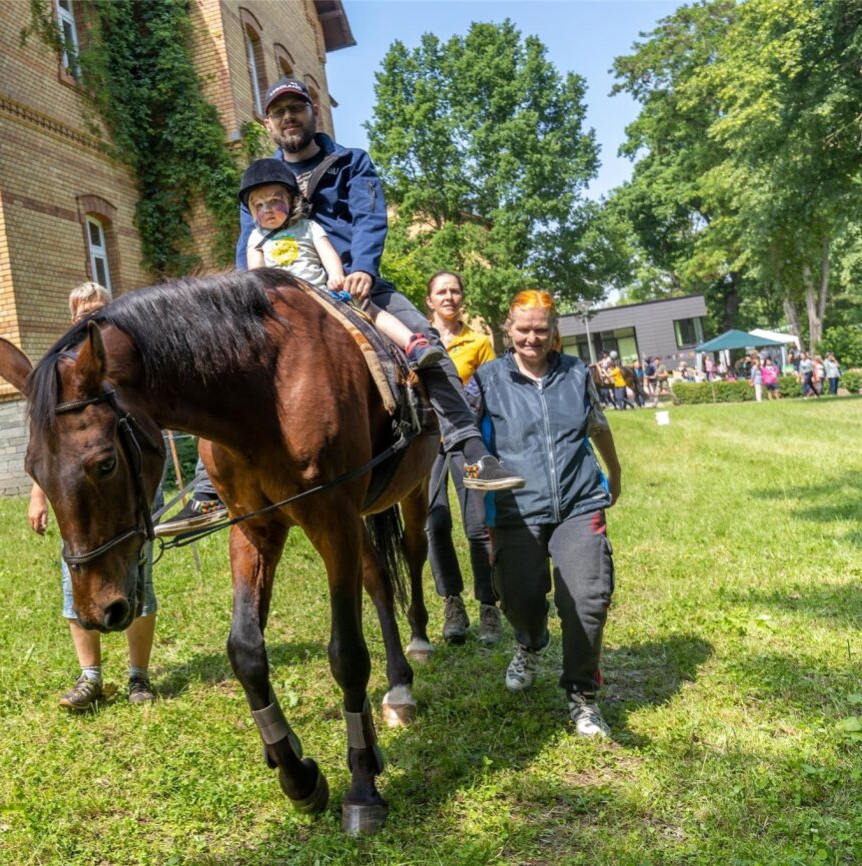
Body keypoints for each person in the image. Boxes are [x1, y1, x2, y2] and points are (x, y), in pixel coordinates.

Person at [157, 77, 524, 536]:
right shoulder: (260, 180)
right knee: (220, 362)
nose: (289, 117)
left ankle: (472, 452)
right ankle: (207, 491)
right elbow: (246, 241)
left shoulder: (351, 163)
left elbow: (369, 219)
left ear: (314, 113)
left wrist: (364, 270)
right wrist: (242, 297)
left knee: (427, 341)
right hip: (275, 293)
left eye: (297, 108)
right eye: (279, 111)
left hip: (350, 282)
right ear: (268, 123)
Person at [467, 290, 622, 739]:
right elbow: (462, 434)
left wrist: (614, 470)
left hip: (579, 500)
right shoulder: (487, 379)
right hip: (516, 509)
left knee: (588, 599)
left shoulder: (576, 373)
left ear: (555, 330)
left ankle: (582, 696)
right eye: (523, 329)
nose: (531, 338)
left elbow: (597, 423)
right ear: (507, 329)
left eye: (541, 329)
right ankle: (531, 642)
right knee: (519, 598)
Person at [30, 282, 162, 710]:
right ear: (73, 319)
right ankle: (90, 677)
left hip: (130, 487)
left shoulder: (124, 365)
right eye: (84, 311)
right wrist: (38, 495)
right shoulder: (60, 372)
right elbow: (53, 448)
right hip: (81, 499)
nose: (91, 317)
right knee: (77, 573)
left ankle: (138, 676)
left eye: (99, 310)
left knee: (139, 577)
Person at [240, 158, 443, 369]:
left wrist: (336, 275)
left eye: (274, 201)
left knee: (364, 306)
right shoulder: (256, 238)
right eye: (259, 206)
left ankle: (411, 342)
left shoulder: (308, 227)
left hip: (319, 292)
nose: (268, 210)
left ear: (292, 200)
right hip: (281, 300)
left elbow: (327, 253)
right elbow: (257, 273)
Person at [422, 270, 500, 644]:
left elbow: (491, 392)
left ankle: (489, 606)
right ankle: (452, 604)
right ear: (430, 301)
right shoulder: (416, 340)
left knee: (477, 526)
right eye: (441, 292)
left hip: (466, 442)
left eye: (454, 291)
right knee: (435, 525)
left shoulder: (479, 342)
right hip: (426, 448)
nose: (449, 297)